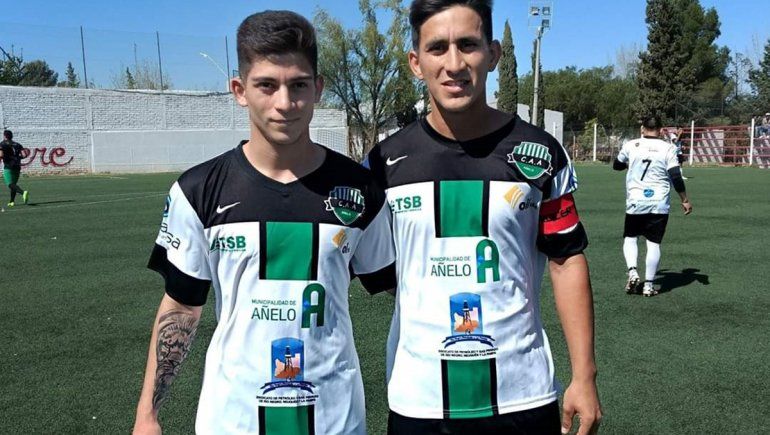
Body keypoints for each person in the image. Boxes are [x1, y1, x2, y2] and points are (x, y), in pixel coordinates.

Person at [133, 11, 396, 435]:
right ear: (240, 90)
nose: (284, 103)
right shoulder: (198, 190)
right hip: (232, 421)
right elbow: (181, 307)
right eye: (267, 85)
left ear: (318, 88)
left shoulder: (359, 190)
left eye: (298, 85)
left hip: (334, 420)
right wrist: (147, 414)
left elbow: (401, 287)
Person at [365, 1, 602, 433]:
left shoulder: (541, 153)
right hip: (420, 399)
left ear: (493, 54)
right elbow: (379, 272)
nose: (454, 64)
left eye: (468, 45)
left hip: (522, 394)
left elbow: (566, 259)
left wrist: (584, 376)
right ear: (416, 63)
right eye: (437, 48)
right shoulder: (382, 163)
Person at [613, 115, 692, 297]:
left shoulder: (631, 145)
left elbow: (616, 165)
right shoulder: (668, 148)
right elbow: (675, 176)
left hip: (636, 200)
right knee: (653, 243)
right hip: (659, 202)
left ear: (642, 128)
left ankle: (632, 271)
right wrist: (684, 199)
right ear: (661, 130)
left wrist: (630, 165)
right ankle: (648, 286)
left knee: (630, 238)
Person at [0, 130, 29, 207]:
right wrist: (17, 157)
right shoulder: (18, 144)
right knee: (13, 185)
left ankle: (23, 192)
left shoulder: (2, 144)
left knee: (10, 184)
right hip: (17, 166)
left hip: (8, 166)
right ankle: (11, 201)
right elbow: (25, 155)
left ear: (5, 136)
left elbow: (1, 155)